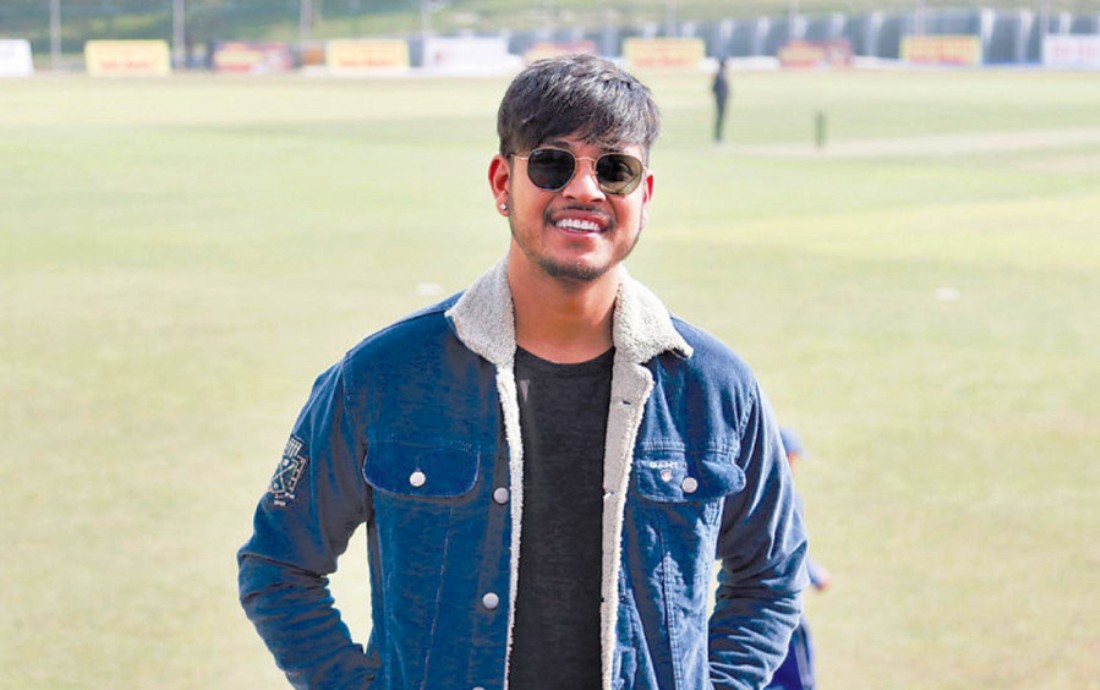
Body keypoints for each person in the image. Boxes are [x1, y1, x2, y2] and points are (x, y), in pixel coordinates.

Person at [238, 54, 807, 690]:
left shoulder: (717, 389)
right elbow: (278, 566)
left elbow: (772, 578)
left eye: (614, 169)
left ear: (644, 196)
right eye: (552, 163)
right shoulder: (382, 376)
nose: (585, 190)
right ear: (502, 183)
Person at [765, 428, 830, 690]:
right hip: (783, 598)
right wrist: (815, 575)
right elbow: (791, 548)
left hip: (747, 598)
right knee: (799, 680)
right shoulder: (786, 497)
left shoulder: (752, 494)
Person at [712, 56, 731, 143]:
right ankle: (717, 136)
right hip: (720, 100)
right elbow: (714, 88)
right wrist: (719, 97)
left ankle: (719, 136)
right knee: (720, 118)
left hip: (723, 100)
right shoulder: (719, 74)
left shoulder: (722, 73)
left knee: (722, 118)